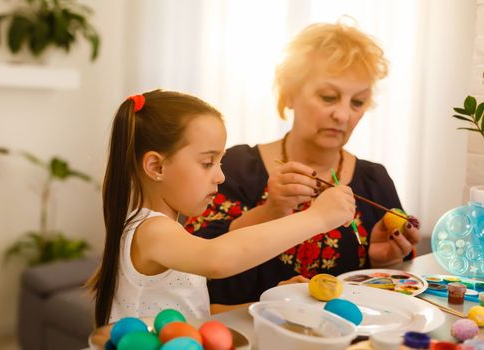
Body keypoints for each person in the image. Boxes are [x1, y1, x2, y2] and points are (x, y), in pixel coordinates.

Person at [185, 21, 422, 308]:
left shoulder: (374, 180)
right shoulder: (237, 168)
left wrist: (380, 260)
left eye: (357, 102)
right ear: (290, 93)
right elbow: (195, 258)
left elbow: (386, 292)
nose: (342, 114)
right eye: (328, 97)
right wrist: (270, 211)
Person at [87, 89, 356, 327]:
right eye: (207, 163)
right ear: (157, 167)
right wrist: (318, 217)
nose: (220, 177)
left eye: (220, 162)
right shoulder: (151, 230)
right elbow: (218, 258)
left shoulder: (167, 232)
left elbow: (199, 315)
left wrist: (273, 304)